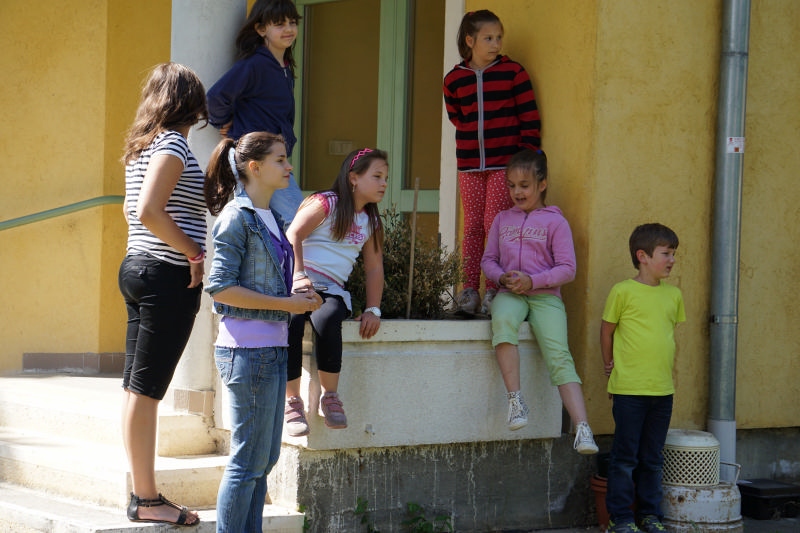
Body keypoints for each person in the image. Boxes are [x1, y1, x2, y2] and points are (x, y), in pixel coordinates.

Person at [204, 132, 322, 532]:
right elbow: (221, 288)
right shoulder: (236, 217)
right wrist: (287, 305)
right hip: (247, 353)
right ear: (254, 168)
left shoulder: (273, 218)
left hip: (272, 349)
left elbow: (270, 284)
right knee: (247, 462)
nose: (289, 167)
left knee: (264, 460)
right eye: (280, 160)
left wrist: (299, 294)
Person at [118, 62, 207, 526]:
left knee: (137, 387)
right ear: (191, 102)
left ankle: (142, 491)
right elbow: (149, 210)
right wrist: (194, 252)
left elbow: (132, 209)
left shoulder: (142, 146)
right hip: (164, 275)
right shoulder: (172, 144)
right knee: (147, 390)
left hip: (137, 268)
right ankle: (147, 499)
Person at [481, 149, 598, 455]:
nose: (517, 192)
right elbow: (488, 259)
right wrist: (502, 277)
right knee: (502, 322)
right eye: (511, 185)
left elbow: (567, 268)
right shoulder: (502, 219)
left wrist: (533, 281)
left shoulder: (556, 223)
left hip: (545, 297)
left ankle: (582, 428)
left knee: (560, 355)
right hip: (510, 294)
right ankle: (516, 402)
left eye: (524, 185)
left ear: (542, 184)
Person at [443, 9, 542, 316]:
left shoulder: (513, 73)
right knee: (472, 227)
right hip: (470, 165)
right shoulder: (454, 80)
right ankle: (469, 291)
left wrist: (524, 159)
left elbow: (529, 117)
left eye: (499, 37)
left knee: (494, 224)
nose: (496, 43)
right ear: (470, 40)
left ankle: (494, 290)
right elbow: (457, 117)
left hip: (504, 165)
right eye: (488, 38)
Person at [283, 148, 386, 437]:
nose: (384, 184)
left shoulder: (372, 221)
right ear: (353, 178)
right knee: (291, 320)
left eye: (386, 178)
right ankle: (292, 401)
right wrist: (299, 276)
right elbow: (293, 235)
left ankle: (330, 397)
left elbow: (374, 268)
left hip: (332, 291)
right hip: (298, 283)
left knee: (328, 318)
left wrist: (373, 309)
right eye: (377, 176)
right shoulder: (326, 203)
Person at [600, 223, 685, 533]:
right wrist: (608, 365)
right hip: (629, 390)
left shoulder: (673, 295)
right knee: (625, 457)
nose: (672, 260)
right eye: (666, 253)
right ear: (643, 256)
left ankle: (650, 515)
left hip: (662, 391)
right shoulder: (622, 291)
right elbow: (607, 331)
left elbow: (665, 337)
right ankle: (621, 518)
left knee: (652, 457)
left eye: (673, 254)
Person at [206, 0, 304, 228]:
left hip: (272, 158)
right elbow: (215, 98)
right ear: (261, 29)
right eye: (279, 24)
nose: (288, 29)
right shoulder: (255, 64)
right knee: (297, 225)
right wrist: (225, 122)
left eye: (292, 22)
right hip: (257, 160)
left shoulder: (284, 67)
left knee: (272, 228)